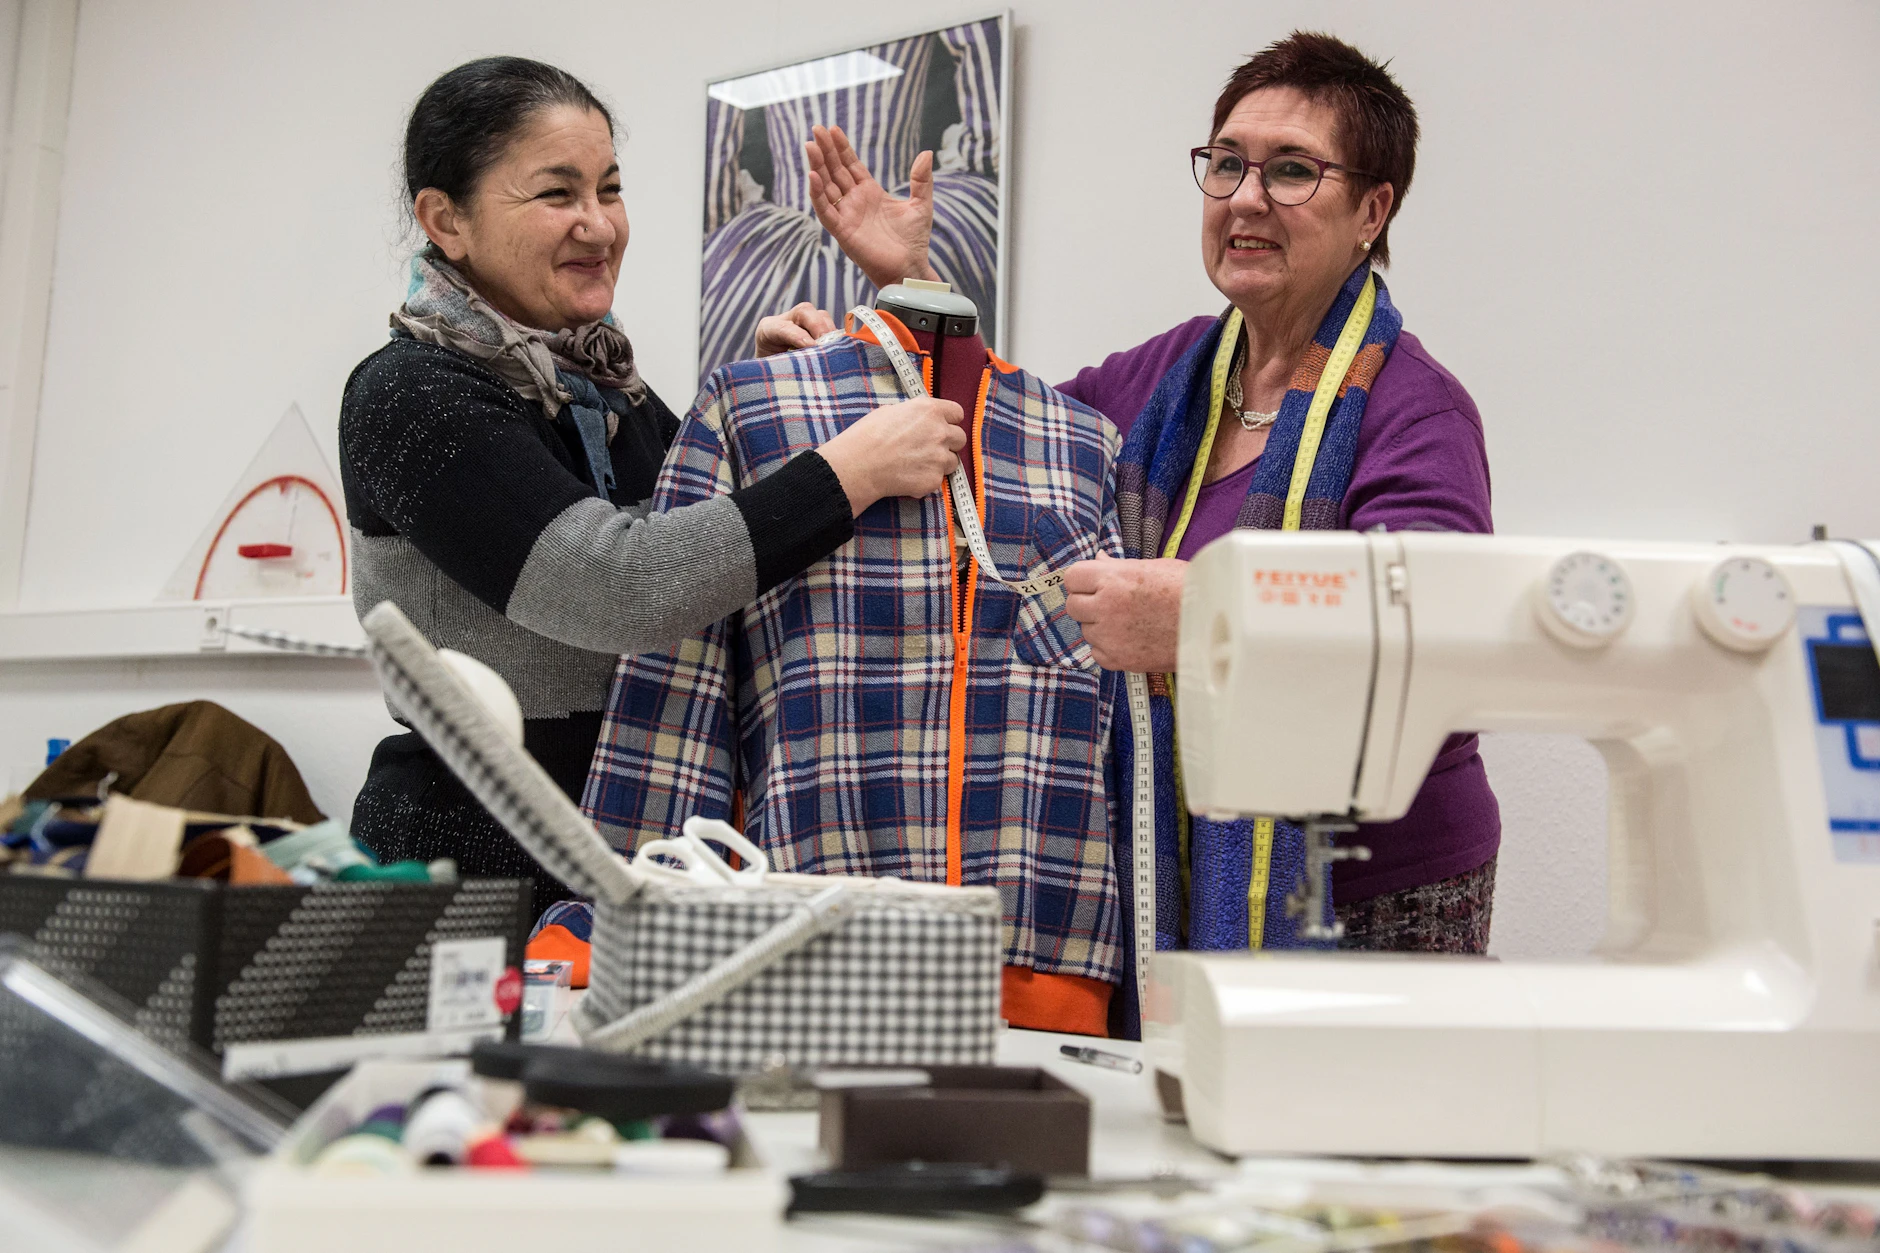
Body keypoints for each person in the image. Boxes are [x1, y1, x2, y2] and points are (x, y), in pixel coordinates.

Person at [764, 32, 1500, 1012]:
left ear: (1372, 209)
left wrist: (1203, 619)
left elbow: (1432, 631)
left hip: (1368, 886)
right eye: (1226, 163)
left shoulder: (1416, 408)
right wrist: (890, 327)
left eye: (1290, 171)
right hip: (1169, 858)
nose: (1243, 197)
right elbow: (1002, 436)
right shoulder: (1170, 376)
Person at [340, 57, 966, 908]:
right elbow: (616, 584)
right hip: (468, 870)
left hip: (624, 842)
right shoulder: (409, 395)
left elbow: (709, 539)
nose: (599, 226)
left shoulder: (605, 385)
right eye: (557, 194)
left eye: (609, 188)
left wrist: (782, 397)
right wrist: (842, 471)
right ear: (445, 219)